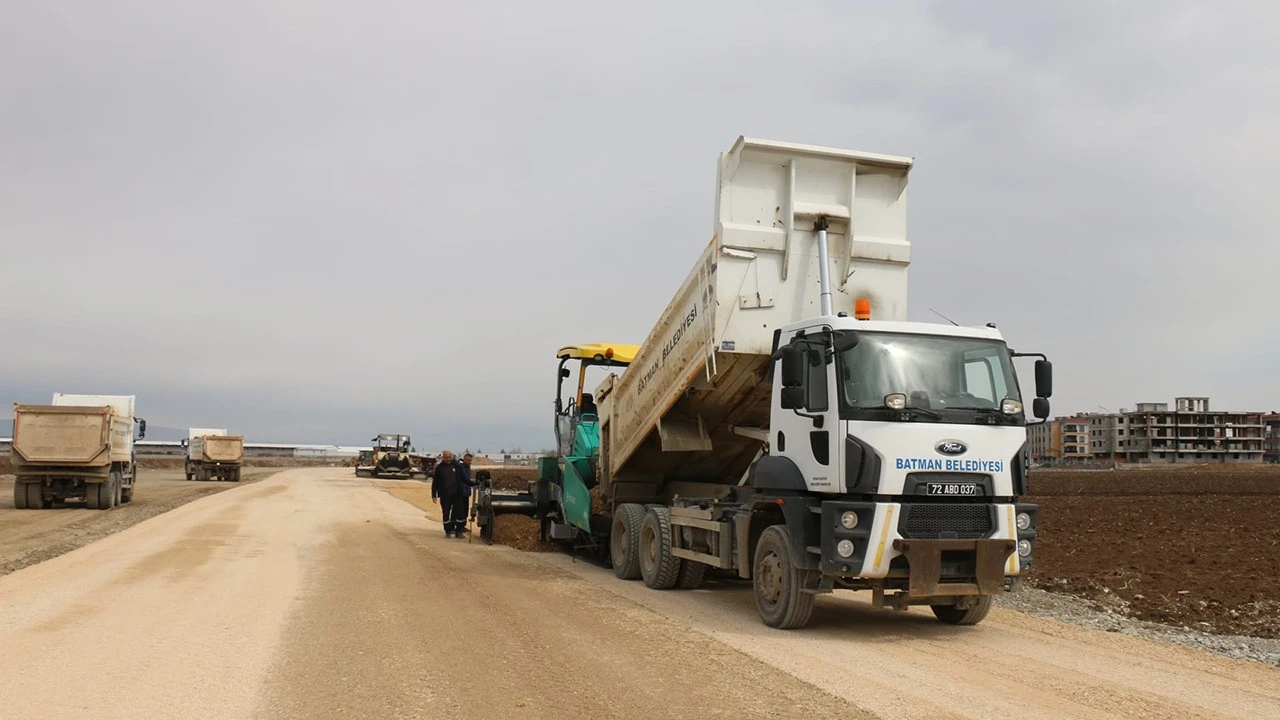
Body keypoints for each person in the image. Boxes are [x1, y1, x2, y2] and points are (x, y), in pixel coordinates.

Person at [430, 450, 473, 537]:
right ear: (443, 457)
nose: (448, 459)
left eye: (449, 457)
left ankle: (458, 531)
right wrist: (434, 495)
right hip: (445, 496)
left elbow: (465, 479)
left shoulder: (456, 466)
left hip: (457, 495)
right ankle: (448, 531)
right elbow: (435, 483)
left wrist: (475, 483)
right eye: (446, 457)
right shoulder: (439, 468)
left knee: (459, 513)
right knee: (446, 513)